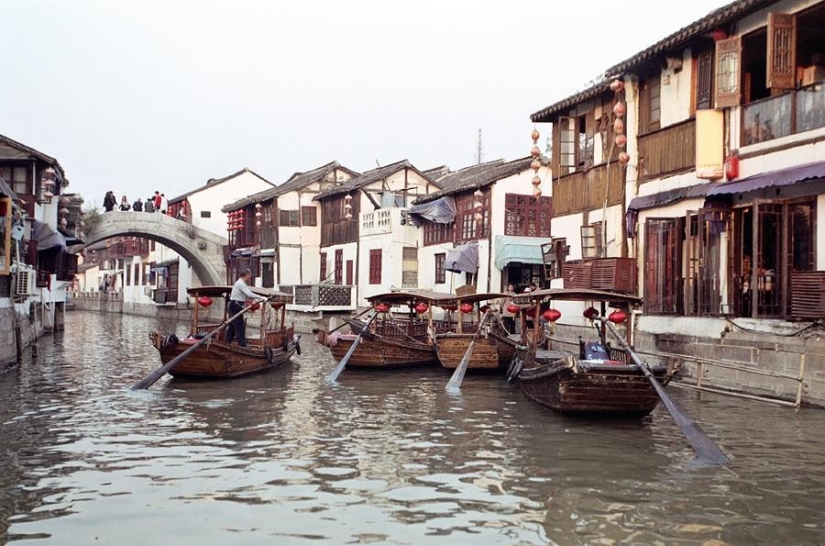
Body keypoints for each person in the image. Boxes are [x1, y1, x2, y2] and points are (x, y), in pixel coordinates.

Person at [225, 268, 264, 347]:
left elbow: (245, 295)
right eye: (250, 275)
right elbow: (248, 293)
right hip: (235, 306)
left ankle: (227, 342)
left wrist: (255, 299)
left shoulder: (241, 283)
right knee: (239, 325)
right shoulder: (240, 283)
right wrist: (260, 297)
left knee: (232, 325)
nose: (250, 277)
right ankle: (242, 344)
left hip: (236, 305)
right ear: (246, 275)